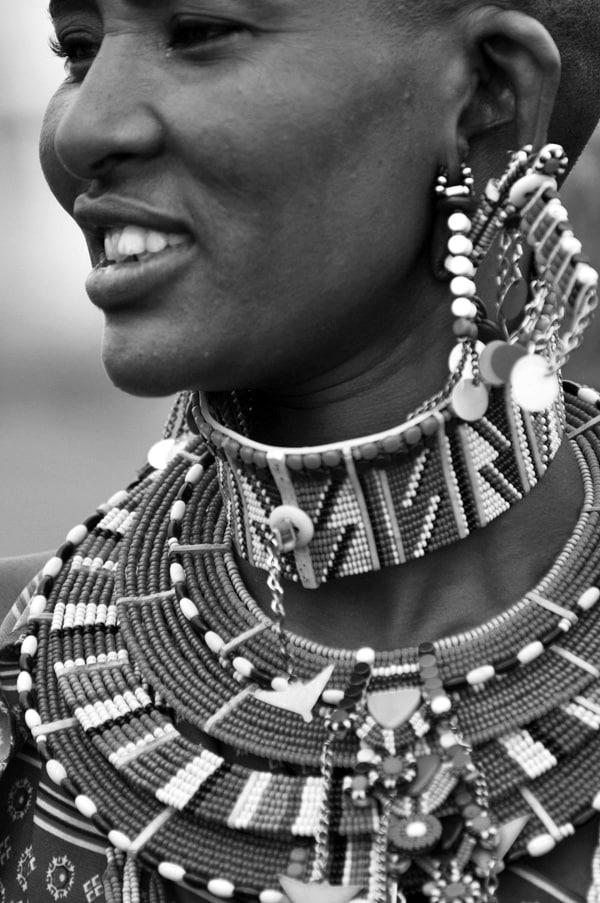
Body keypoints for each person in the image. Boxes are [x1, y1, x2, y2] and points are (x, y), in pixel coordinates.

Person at [2, 1, 600, 901]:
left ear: (490, 90)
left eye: (198, 31)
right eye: (77, 48)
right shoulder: (27, 670)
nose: (86, 127)